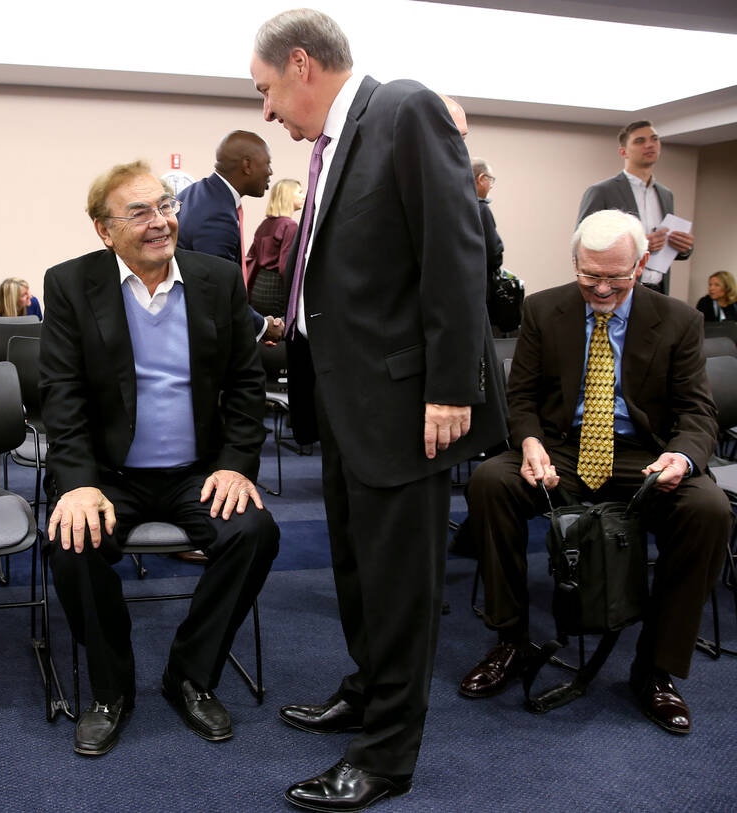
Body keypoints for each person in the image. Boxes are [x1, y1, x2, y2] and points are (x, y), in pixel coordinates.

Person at [250, 10, 506, 811]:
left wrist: (452, 385)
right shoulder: (336, 143)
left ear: (300, 66)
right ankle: (367, 690)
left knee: (399, 585)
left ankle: (387, 754)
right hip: (348, 404)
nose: (265, 112)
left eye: (264, 90)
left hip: (408, 403)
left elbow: (455, 250)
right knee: (359, 572)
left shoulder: (404, 108)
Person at [39, 160, 280, 758]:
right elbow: (61, 395)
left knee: (254, 532)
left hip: (195, 473)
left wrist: (234, 465)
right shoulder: (71, 283)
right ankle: (110, 692)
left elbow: (246, 387)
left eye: (165, 207)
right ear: (104, 229)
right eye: (139, 212)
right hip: (107, 475)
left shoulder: (218, 279)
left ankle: (190, 676)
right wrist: (77, 483)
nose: (159, 222)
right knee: (73, 542)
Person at [458, 209, 729, 736]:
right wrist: (530, 441)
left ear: (642, 264)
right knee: (491, 481)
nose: (601, 288)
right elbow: (522, 398)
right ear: (575, 262)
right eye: (589, 275)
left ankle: (654, 668)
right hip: (561, 449)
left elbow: (698, 412)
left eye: (615, 276)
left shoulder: (678, 321)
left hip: (640, 454)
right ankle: (511, 641)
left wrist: (683, 457)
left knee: (708, 510)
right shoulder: (543, 309)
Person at [177, 131, 283, 343]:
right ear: (247, 165)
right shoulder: (216, 215)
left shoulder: (197, 193)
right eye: (268, 164)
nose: (270, 172)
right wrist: (262, 327)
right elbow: (217, 292)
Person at [577, 121, 694, 294]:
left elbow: (664, 248)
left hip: (658, 289)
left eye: (654, 139)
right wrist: (638, 245)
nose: (649, 145)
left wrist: (684, 248)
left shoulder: (666, 194)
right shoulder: (602, 191)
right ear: (623, 152)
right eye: (639, 141)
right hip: (615, 289)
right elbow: (582, 243)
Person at [246, 178, 303, 317]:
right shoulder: (290, 226)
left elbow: (252, 255)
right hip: (276, 287)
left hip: (258, 286)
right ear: (288, 196)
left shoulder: (265, 223)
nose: (303, 196)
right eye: (299, 192)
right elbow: (285, 266)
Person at [473, 158, 504, 293]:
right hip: (481, 286)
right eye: (490, 180)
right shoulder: (481, 209)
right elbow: (493, 253)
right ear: (481, 178)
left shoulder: (456, 205)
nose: (491, 185)